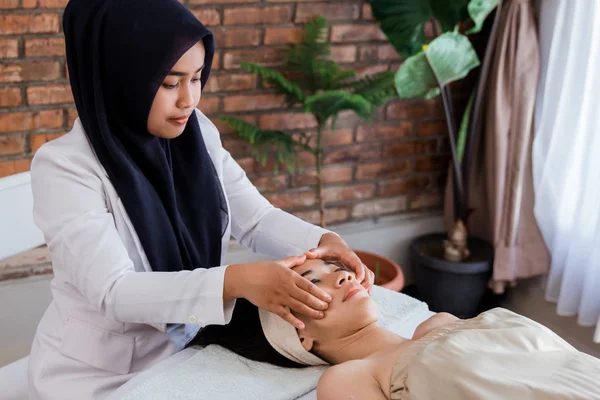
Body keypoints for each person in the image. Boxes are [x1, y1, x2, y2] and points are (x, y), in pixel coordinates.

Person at [26, 0, 374, 398]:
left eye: (197, 78)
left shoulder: (197, 134)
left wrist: (323, 242)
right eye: (170, 83)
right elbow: (114, 292)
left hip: (189, 353)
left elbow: (256, 219)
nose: (188, 100)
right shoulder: (65, 168)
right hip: (95, 377)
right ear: (119, 78)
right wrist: (235, 281)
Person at [192, 258, 600, 400]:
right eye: (312, 284)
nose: (340, 277)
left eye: (335, 269)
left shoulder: (437, 322)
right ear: (301, 337)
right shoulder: (348, 378)